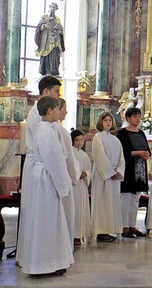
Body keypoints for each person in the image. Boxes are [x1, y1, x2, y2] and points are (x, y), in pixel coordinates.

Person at [18, 96, 73, 276]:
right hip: (46, 180)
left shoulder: (44, 129)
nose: (60, 112)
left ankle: (49, 262)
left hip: (41, 179)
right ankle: (44, 264)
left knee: (45, 220)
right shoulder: (47, 131)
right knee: (46, 221)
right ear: (49, 111)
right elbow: (54, 160)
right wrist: (64, 184)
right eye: (58, 109)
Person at [17, 76, 60, 265]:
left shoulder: (43, 115)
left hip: (43, 166)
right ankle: (35, 259)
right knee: (38, 214)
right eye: (56, 92)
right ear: (46, 92)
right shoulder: (37, 115)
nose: (58, 96)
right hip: (41, 168)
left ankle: (38, 257)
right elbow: (44, 146)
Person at [116, 107, 151, 238]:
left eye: (139, 116)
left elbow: (147, 149)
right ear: (128, 118)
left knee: (135, 199)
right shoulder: (122, 133)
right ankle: (124, 227)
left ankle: (133, 226)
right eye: (135, 116)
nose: (137, 119)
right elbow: (123, 152)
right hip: (128, 169)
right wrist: (137, 153)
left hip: (140, 170)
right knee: (126, 199)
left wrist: (146, 154)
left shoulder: (141, 133)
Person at [92, 111, 125, 242]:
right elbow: (99, 156)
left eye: (110, 120)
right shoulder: (97, 137)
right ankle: (101, 231)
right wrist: (110, 172)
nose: (108, 122)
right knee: (102, 202)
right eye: (105, 120)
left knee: (112, 202)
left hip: (114, 176)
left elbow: (121, 158)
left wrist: (119, 171)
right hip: (103, 175)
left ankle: (111, 229)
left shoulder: (115, 139)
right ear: (100, 122)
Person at [56, 98, 80, 249]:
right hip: (64, 178)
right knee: (64, 215)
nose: (66, 112)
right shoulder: (61, 131)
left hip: (55, 177)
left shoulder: (51, 129)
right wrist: (75, 176)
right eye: (64, 109)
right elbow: (70, 160)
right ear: (56, 110)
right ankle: (63, 248)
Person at [71, 130, 92, 245]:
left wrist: (86, 174)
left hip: (82, 187)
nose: (79, 142)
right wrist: (77, 174)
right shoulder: (70, 153)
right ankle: (73, 235)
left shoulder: (84, 155)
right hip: (73, 187)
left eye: (81, 140)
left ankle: (80, 234)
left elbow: (89, 169)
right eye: (77, 140)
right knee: (74, 210)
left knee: (81, 210)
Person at [35, 3, 65, 76]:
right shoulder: (45, 16)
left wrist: (60, 30)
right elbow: (39, 27)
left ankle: (55, 71)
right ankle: (47, 71)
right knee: (47, 55)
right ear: (49, 7)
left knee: (56, 55)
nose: (53, 9)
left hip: (56, 40)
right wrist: (45, 26)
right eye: (52, 7)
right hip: (47, 40)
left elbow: (61, 29)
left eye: (55, 7)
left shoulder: (57, 19)